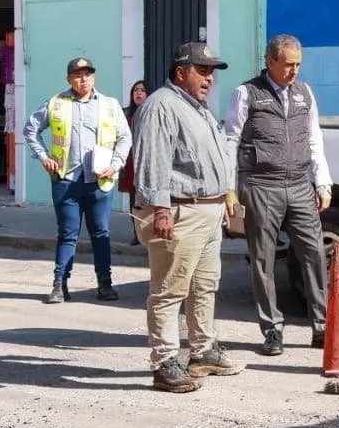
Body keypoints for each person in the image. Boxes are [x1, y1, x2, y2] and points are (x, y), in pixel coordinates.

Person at [132, 42, 243, 393]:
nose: (209, 79)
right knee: (168, 289)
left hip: (207, 211)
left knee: (204, 285)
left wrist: (226, 193)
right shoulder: (160, 105)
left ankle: (202, 351)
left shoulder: (197, 108)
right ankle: (164, 362)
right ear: (181, 72)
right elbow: (151, 162)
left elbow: (215, 157)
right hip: (180, 210)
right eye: (202, 71)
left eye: (211, 72)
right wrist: (160, 209)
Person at [223, 34, 332, 356]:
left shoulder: (304, 93)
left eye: (298, 64)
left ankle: (322, 326)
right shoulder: (246, 93)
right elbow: (230, 140)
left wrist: (322, 183)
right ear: (270, 61)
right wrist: (230, 189)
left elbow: (314, 139)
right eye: (287, 65)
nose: (293, 71)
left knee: (313, 253)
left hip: (300, 185)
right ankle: (272, 329)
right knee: (263, 260)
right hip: (261, 186)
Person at [22, 57, 132, 304]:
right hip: (66, 179)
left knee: (101, 233)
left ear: (94, 77)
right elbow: (30, 129)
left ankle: (105, 284)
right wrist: (43, 157)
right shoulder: (56, 104)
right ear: (69, 78)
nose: (84, 80)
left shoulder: (109, 105)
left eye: (88, 75)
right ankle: (60, 285)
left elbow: (125, 137)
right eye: (78, 75)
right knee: (67, 234)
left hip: (99, 181)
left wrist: (115, 165)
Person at [120, 80, 149, 245]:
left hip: (146, 160)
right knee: (134, 199)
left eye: (143, 90)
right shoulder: (125, 114)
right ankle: (136, 233)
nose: (138, 93)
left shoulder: (153, 112)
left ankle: (148, 231)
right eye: (136, 90)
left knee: (147, 199)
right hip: (130, 161)